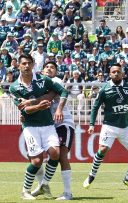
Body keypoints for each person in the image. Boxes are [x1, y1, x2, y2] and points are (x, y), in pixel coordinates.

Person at [9, 54, 68, 200]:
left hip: (48, 124)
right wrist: (39, 106)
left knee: (55, 153)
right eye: (24, 63)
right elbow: (25, 110)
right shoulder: (14, 87)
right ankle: (25, 190)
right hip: (30, 126)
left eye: (29, 63)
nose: (27, 66)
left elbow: (63, 91)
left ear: (34, 64)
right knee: (36, 161)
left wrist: (59, 108)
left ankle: (44, 185)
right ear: (19, 65)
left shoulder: (43, 80)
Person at [83, 63, 128, 189]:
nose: (116, 73)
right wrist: (92, 124)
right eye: (113, 72)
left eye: (118, 72)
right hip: (109, 126)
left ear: (122, 74)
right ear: (110, 74)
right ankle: (91, 175)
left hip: (125, 126)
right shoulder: (104, 89)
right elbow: (95, 107)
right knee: (103, 150)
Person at [30, 61, 75, 200]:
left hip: (63, 123)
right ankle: (42, 185)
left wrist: (59, 109)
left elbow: (50, 96)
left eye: (53, 67)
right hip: (48, 125)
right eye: (47, 67)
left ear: (56, 72)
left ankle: (67, 193)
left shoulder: (56, 81)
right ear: (42, 71)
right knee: (36, 156)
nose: (49, 69)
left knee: (61, 155)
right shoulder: (39, 84)